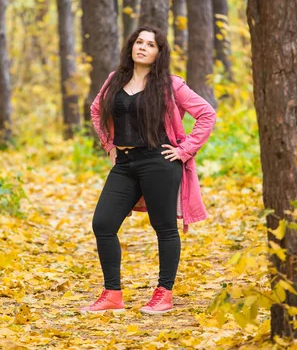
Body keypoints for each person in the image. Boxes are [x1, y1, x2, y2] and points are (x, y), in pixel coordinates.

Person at [80, 26, 216, 315]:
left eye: (150, 44)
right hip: (125, 164)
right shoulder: (115, 80)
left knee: (164, 227)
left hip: (159, 162)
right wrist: (109, 144)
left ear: (159, 52)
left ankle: (163, 293)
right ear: (131, 47)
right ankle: (112, 294)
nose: (142, 47)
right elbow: (95, 110)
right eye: (138, 42)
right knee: (103, 224)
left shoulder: (170, 84)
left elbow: (206, 114)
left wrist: (184, 149)